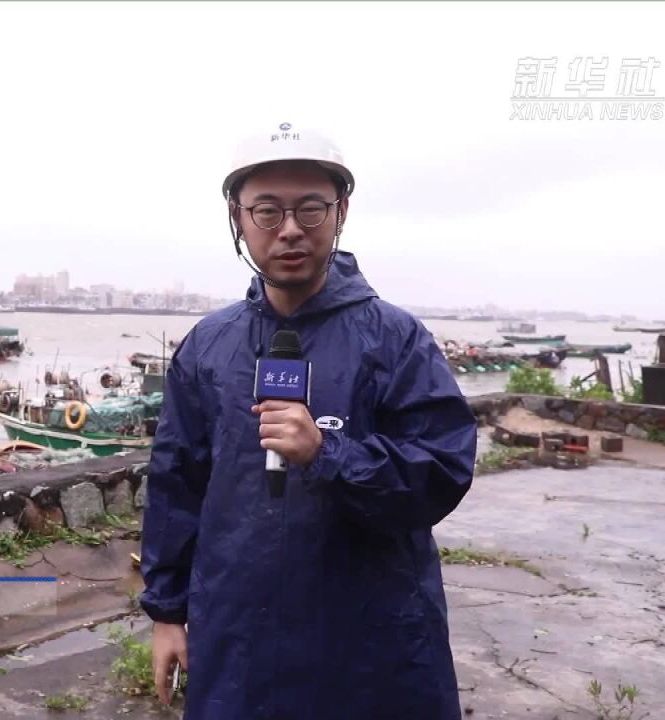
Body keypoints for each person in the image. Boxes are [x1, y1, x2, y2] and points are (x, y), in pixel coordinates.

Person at [139, 123, 478, 719]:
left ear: (341, 212)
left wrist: (328, 453)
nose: (290, 229)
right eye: (267, 211)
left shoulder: (395, 339)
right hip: (239, 635)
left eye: (311, 209)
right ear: (237, 218)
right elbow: (176, 484)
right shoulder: (208, 347)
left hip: (372, 637)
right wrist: (167, 613)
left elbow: (442, 470)